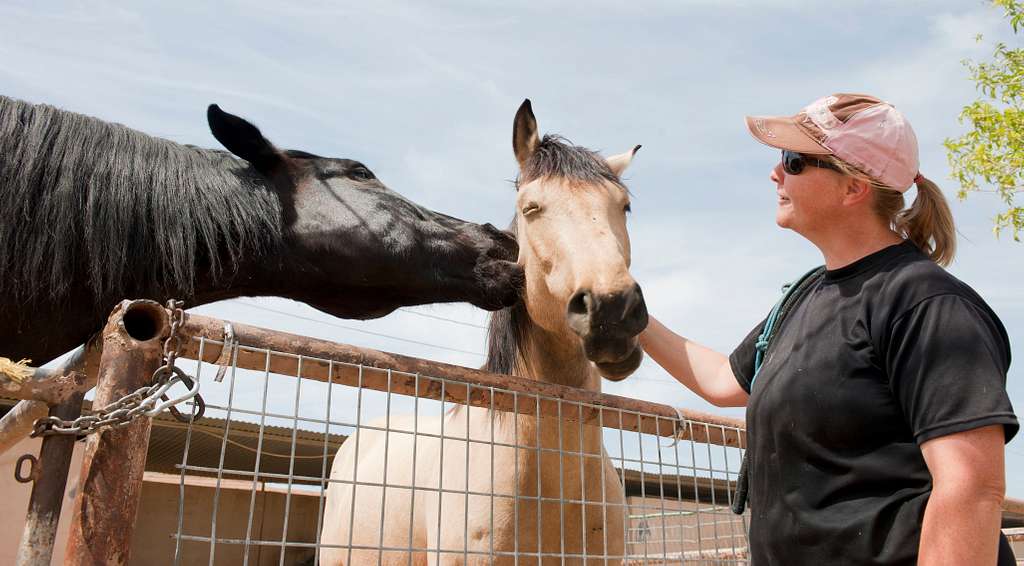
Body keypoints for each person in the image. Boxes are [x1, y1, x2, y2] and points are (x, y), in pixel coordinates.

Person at [640, 93, 1018, 565]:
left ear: (854, 188)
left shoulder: (927, 304)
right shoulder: (805, 297)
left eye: (795, 161)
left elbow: (971, 488)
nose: (775, 173)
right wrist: (635, 319)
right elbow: (723, 383)